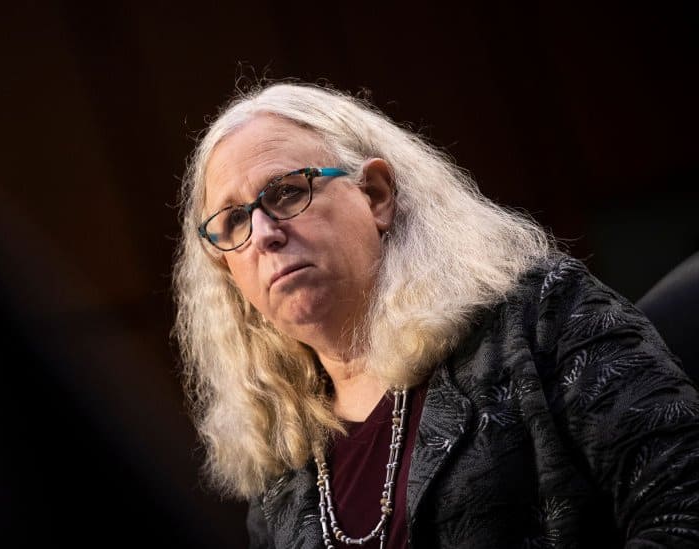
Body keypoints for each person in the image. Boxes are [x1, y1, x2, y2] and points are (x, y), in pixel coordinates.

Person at [170, 79, 699, 548]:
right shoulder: (280, 477)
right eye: (234, 220)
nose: (263, 233)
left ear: (376, 195)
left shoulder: (537, 315)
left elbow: (684, 507)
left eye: (286, 193)